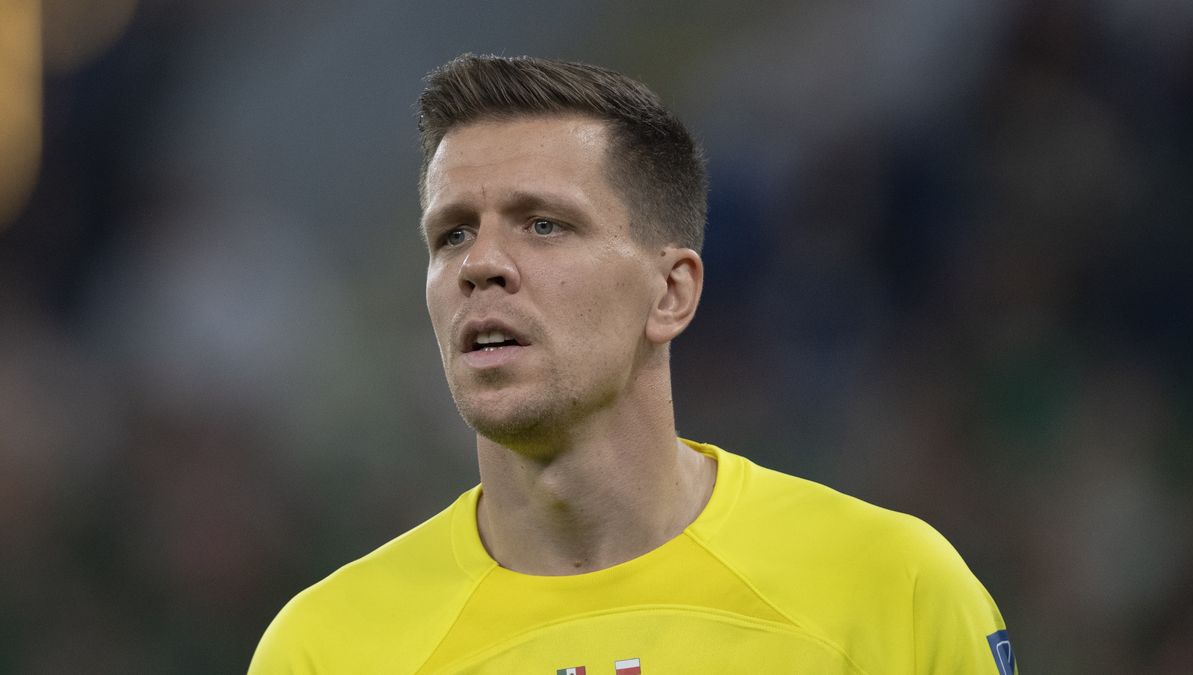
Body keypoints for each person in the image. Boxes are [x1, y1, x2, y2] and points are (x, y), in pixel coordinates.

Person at [249, 54, 1016, 674]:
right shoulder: (327, 648)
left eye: (543, 224)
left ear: (672, 292)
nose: (481, 263)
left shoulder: (891, 588)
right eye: (451, 234)